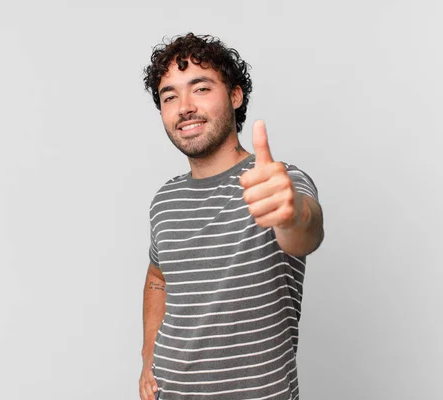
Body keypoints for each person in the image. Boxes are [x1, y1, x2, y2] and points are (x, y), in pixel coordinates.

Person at [139, 33, 324, 400]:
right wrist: (149, 358)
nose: (184, 106)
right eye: (170, 96)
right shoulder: (164, 201)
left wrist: (290, 214)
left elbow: (305, 230)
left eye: (201, 88)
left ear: (235, 96)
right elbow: (158, 277)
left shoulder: (275, 183)